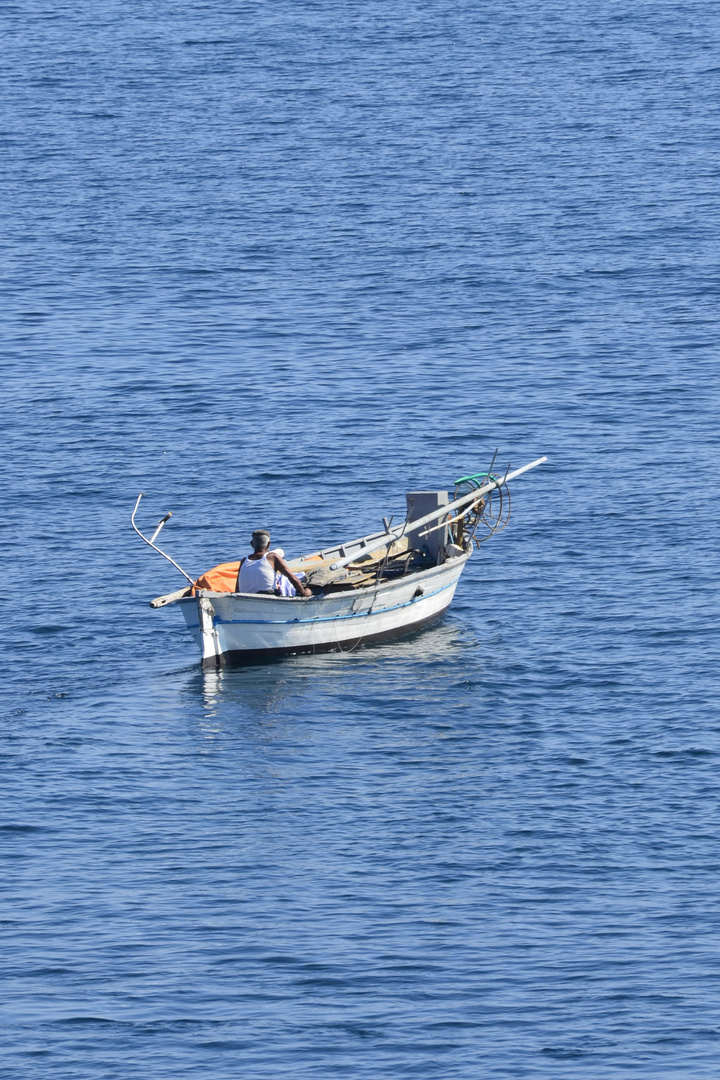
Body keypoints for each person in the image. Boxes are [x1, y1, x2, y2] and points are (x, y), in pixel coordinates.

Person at [236, 530, 311, 597]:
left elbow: (237, 588)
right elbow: (292, 578)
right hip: (268, 596)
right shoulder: (272, 557)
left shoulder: (244, 561)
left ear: (252, 544)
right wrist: (304, 592)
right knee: (308, 588)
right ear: (268, 544)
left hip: (246, 597)